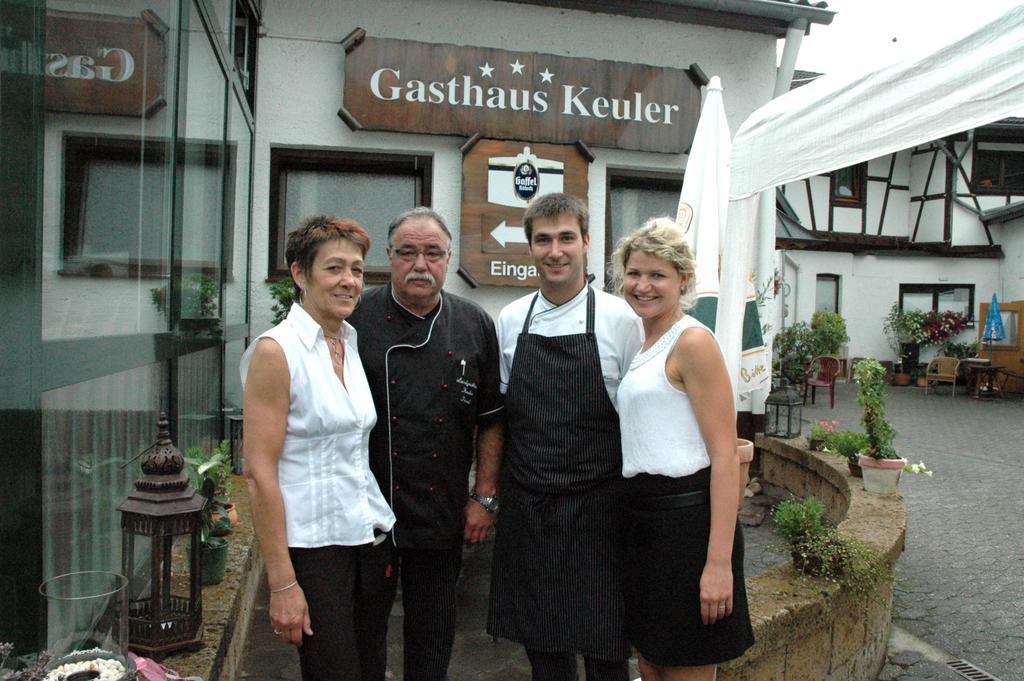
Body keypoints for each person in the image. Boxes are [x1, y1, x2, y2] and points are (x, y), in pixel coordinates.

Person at [487, 193, 643, 681]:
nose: (555, 251)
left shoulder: (622, 320)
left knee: (606, 652)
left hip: (601, 510)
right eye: (543, 240)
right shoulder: (511, 320)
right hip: (530, 508)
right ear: (529, 248)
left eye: (566, 238)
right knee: (544, 652)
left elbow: (640, 416)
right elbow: (502, 417)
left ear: (586, 243)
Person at [347, 207, 504, 681]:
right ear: (390, 257)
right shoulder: (355, 317)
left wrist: (485, 497)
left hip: (441, 506)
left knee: (433, 630)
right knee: (363, 632)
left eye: (433, 253)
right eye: (408, 252)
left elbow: (492, 419)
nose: (421, 264)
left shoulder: (474, 323)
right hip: (366, 508)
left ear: (449, 258)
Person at [241, 216, 397, 681]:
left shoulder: (348, 342)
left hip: (367, 538)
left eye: (357, 269)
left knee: (370, 667)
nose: (349, 281)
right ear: (299, 274)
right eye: (334, 268)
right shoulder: (277, 351)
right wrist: (283, 581)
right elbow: (258, 473)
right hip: (314, 551)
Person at [611, 217, 755, 681]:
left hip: (687, 531)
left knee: (685, 669)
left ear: (683, 280)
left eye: (658, 275)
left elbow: (725, 458)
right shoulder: (645, 341)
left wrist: (717, 565)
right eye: (634, 273)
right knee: (651, 664)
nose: (643, 285)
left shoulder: (693, 342)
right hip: (645, 528)